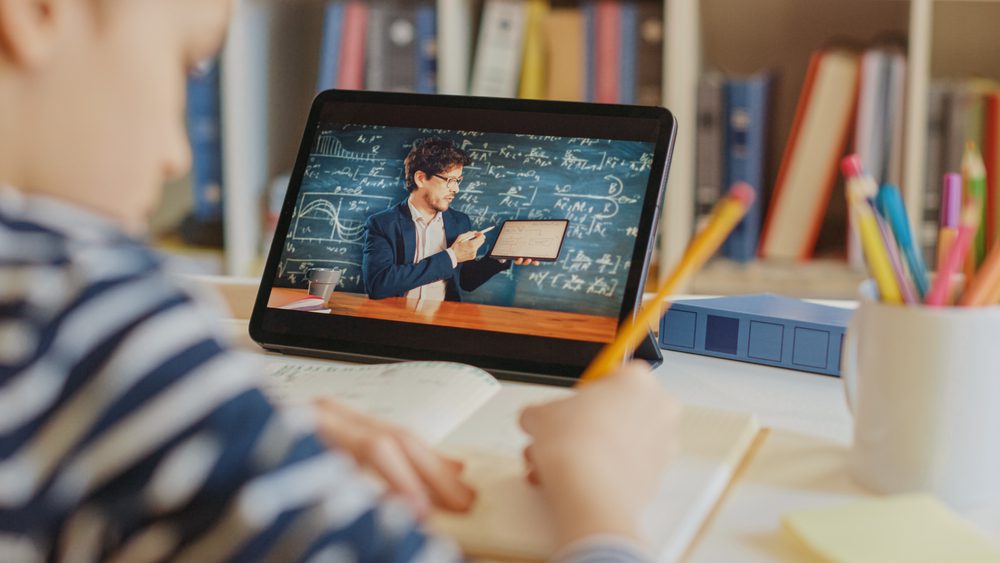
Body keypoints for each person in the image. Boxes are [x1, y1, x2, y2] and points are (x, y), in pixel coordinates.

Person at [0, 0, 680, 561]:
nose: (179, 152)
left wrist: (498, 257)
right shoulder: (79, 306)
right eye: (187, 63)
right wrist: (600, 490)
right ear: (35, 13)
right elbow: (383, 286)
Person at [362, 138, 537, 301]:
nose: (456, 189)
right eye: (450, 180)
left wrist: (501, 255)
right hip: (395, 320)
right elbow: (378, 285)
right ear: (421, 178)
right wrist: (452, 256)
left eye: (458, 181)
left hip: (442, 321)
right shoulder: (382, 224)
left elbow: (466, 281)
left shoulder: (459, 221)